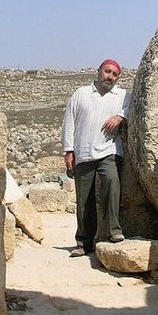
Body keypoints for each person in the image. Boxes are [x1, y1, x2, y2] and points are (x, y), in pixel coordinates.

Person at [61, 59, 131, 257]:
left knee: (111, 183)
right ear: (98, 71)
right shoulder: (81, 94)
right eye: (107, 71)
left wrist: (120, 117)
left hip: (109, 150)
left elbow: (131, 108)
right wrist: (68, 151)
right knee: (84, 199)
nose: (110, 76)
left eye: (114, 74)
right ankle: (83, 242)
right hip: (83, 152)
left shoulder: (122, 95)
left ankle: (113, 231)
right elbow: (69, 122)